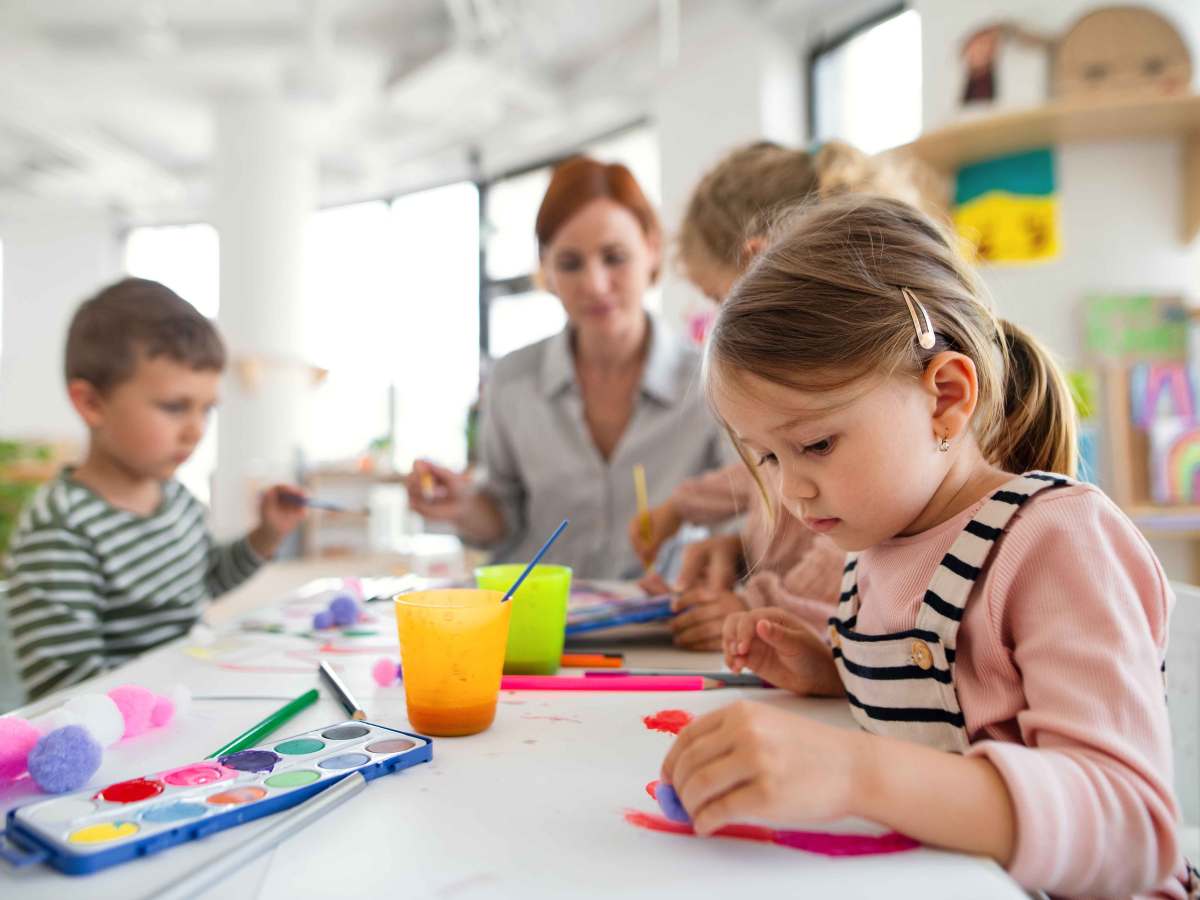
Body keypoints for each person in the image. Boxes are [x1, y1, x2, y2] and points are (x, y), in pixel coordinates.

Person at [659, 196, 1194, 897]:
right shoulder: (879, 543)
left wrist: (852, 771)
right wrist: (830, 672)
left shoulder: (1055, 542)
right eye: (766, 458)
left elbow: (1128, 827)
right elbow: (941, 715)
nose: (792, 492)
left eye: (815, 444)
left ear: (944, 396)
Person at [631, 141, 927, 649]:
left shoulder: (845, 388)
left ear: (758, 267)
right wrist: (724, 536)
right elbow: (767, 479)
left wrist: (756, 606)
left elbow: (851, 553)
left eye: (720, 302)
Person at [406, 157, 726, 579]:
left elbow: (740, 516)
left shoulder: (712, 380)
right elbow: (503, 518)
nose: (594, 284)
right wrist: (462, 505)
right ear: (547, 268)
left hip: (663, 624)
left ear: (651, 250)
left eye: (614, 257)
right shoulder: (512, 379)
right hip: (537, 624)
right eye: (570, 263)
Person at [4, 278, 307, 700]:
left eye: (207, 410)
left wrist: (267, 534)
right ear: (91, 404)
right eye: (175, 407)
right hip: (129, 734)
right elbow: (67, 693)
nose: (195, 431)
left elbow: (205, 580)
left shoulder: (177, 499)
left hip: (186, 696)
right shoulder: (61, 528)